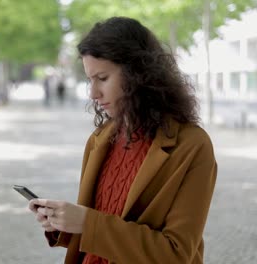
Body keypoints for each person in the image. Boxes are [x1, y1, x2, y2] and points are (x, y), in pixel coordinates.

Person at [29, 16, 217, 264]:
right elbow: (99, 232)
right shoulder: (99, 140)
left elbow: (175, 253)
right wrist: (63, 223)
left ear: (138, 74)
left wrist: (86, 222)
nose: (93, 94)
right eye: (90, 80)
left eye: (103, 79)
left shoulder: (192, 146)